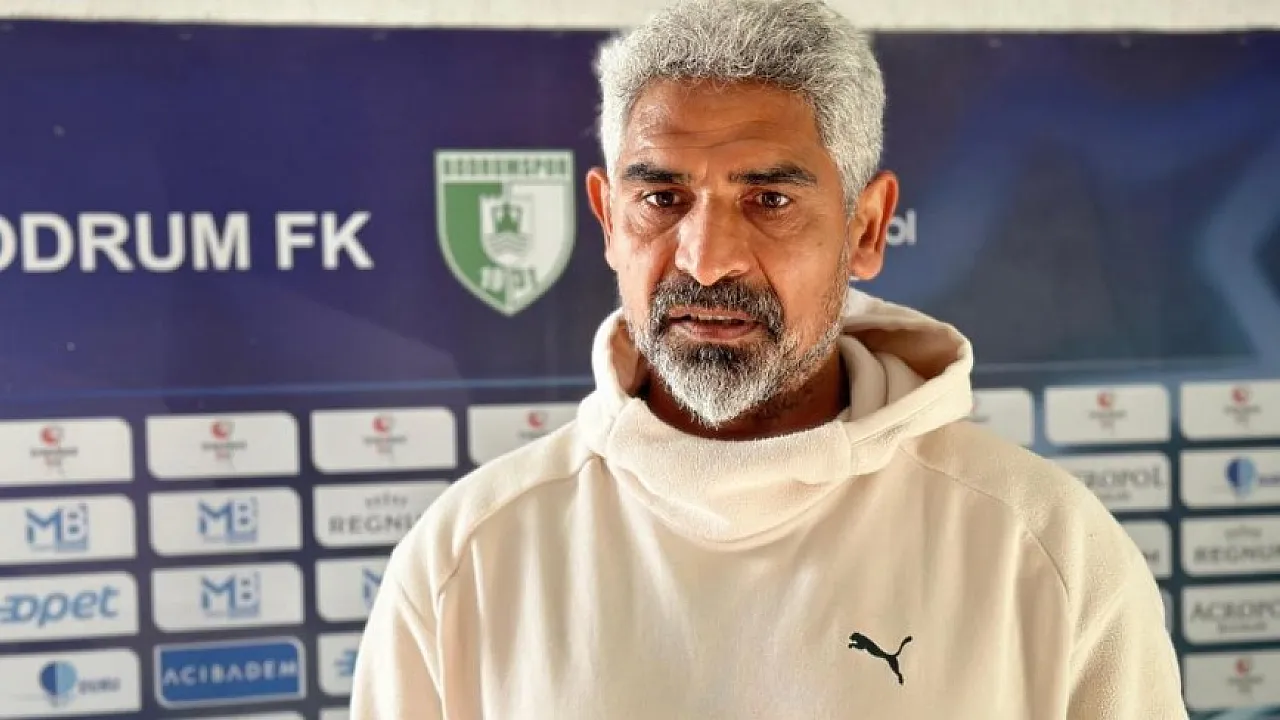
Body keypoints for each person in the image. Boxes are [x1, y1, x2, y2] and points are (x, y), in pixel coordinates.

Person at [351, 0, 1188, 717]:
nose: (707, 258)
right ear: (608, 220)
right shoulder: (466, 558)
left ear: (866, 227)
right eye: (662, 197)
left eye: (770, 199)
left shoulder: (1044, 548)